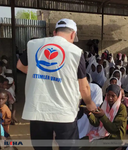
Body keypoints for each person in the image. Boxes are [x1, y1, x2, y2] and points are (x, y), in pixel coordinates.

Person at [16, 18, 97, 150]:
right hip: (64, 114)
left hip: (37, 111)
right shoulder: (75, 52)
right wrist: (89, 103)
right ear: (73, 34)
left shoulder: (33, 44)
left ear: (54, 32)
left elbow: (20, 65)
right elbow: (84, 86)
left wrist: (41, 74)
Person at [83, 84, 127, 150]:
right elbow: (96, 123)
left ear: (118, 96)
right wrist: (89, 114)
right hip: (101, 133)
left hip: (114, 138)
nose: (110, 98)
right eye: (108, 95)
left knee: (93, 147)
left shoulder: (121, 108)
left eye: (113, 96)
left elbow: (114, 129)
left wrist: (102, 116)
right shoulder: (104, 105)